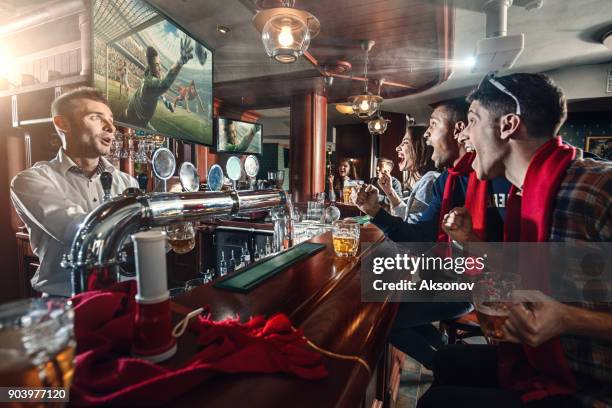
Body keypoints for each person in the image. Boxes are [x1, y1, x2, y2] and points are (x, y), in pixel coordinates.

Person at [427, 73, 612, 407]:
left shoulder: (599, 187)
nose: (464, 134)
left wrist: (568, 319)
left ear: (509, 125)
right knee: (446, 360)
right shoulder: (520, 195)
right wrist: (469, 239)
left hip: (591, 388)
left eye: (472, 121)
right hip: (543, 362)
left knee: (437, 402)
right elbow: (514, 275)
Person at [10, 87, 138, 297]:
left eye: (111, 119)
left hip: (123, 298)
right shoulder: (30, 181)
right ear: (62, 124)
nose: (111, 127)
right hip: (66, 304)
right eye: (96, 117)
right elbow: (79, 231)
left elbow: (152, 241)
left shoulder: (126, 181)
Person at [123, 37, 194, 129]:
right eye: (157, 65)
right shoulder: (150, 84)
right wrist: (180, 62)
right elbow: (165, 83)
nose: (160, 67)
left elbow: (157, 90)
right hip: (136, 123)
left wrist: (166, 102)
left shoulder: (147, 73)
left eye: (159, 63)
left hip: (131, 114)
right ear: (151, 67)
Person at [377, 125, 439, 222]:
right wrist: (389, 191)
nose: (397, 148)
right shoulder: (425, 181)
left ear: (421, 149)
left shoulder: (429, 180)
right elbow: (405, 217)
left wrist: (372, 210)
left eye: (405, 142)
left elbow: (411, 230)